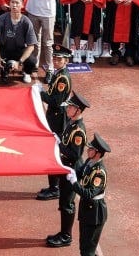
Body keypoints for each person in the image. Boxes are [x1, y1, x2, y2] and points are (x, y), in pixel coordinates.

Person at [46, 92, 90, 248]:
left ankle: (66, 236)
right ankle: (64, 233)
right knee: (63, 201)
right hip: (66, 167)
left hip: (71, 170)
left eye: (70, 107)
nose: (67, 109)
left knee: (67, 203)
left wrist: (59, 145)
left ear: (78, 110)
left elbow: (75, 154)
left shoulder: (78, 130)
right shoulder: (71, 123)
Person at [35, 44, 73, 201]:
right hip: (55, 116)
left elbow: (55, 101)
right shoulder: (58, 74)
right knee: (53, 150)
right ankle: (54, 185)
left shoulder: (62, 78)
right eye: (55, 58)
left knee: (54, 151)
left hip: (58, 117)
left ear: (66, 61)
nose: (56, 61)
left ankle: (55, 188)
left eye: (59, 59)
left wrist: (41, 93)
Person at [68, 133, 111, 256]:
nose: (88, 150)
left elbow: (89, 194)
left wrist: (74, 183)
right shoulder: (89, 161)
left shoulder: (99, 173)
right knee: (85, 246)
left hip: (95, 213)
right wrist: (72, 172)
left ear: (98, 153)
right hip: (87, 210)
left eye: (91, 149)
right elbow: (80, 172)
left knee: (87, 250)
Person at [0, 0, 39, 83]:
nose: (14, 5)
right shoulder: (1, 19)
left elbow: (31, 46)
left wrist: (19, 62)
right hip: (4, 49)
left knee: (32, 60)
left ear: (22, 5)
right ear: (9, 4)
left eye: (17, 3)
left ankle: (26, 72)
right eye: (12, 2)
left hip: (19, 50)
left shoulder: (26, 22)